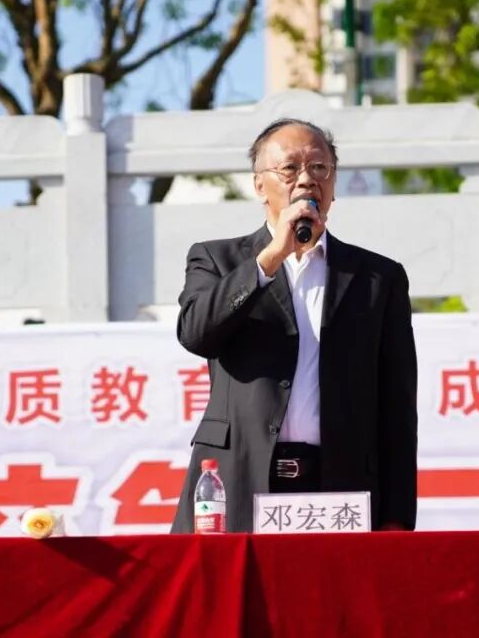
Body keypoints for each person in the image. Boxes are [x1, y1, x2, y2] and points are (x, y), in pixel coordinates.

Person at [171, 118, 418, 534]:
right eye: (289, 168)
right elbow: (196, 333)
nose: (306, 179)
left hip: (341, 487)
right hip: (239, 479)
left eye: (319, 168)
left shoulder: (378, 278)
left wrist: (396, 517)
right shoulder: (217, 260)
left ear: (333, 185)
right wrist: (269, 259)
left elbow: (397, 406)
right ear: (259, 185)